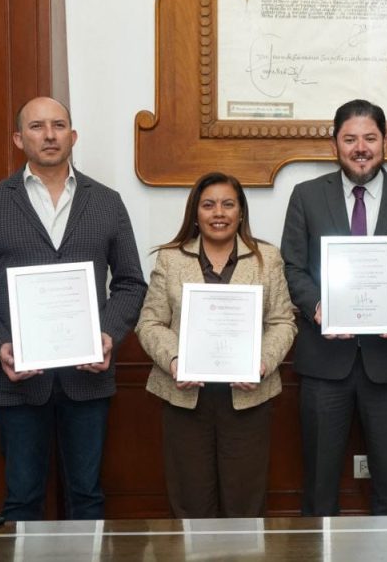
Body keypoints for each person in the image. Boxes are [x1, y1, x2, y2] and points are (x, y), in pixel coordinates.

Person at [0, 96, 147, 521]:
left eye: (58, 125)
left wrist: (107, 335)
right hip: (18, 381)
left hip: (87, 379)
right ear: (19, 139)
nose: (49, 135)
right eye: (37, 127)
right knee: (22, 498)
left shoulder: (107, 202)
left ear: (73, 136)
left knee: (87, 496)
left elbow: (130, 283)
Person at [281, 98, 387, 516]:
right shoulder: (306, 196)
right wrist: (317, 305)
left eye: (370, 138)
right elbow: (292, 267)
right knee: (319, 484)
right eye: (350, 139)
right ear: (334, 143)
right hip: (324, 362)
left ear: (385, 141)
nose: (361, 148)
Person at [135, 172, 296, 517]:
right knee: (191, 504)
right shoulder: (171, 259)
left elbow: (283, 322)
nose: (218, 213)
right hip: (185, 399)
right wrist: (175, 360)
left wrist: (261, 363)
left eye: (228, 204)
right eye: (208, 205)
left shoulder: (267, 258)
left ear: (241, 212)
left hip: (248, 398)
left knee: (245, 504)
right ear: (195, 213)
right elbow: (149, 323)